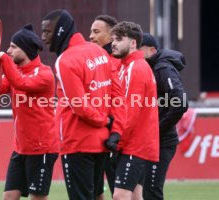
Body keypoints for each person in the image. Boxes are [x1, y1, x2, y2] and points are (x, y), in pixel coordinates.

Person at [41, 9, 126, 200]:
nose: (43, 37)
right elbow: (116, 93)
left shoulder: (66, 60)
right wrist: (113, 127)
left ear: (61, 31)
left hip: (77, 143)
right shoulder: (98, 51)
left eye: (47, 31)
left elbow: (78, 104)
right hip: (102, 142)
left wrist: (103, 120)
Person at [0, 24, 59, 200]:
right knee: (9, 196)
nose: (8, 51)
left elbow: (21, 83)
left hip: (41, 149)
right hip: (21, 148)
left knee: (37, 198)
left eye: (13, 46)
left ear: (25, 49)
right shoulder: (14, 72)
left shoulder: (45, 74)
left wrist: (4, 61)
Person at [111, 22, 159, 200]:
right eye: (112, 39)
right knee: (135, 197)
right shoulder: (127, 66)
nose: (113, 43)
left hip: (133, 144)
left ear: (133, 43)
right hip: (136, 143)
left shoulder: (136, 68)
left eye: (118, 39)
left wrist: (118, 142)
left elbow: (130, 111)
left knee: (120, 196)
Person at [140, 33, 188, 200]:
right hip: (151, 141)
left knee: (151, 192)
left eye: (138, 48)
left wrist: (157, 129)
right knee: (146, 192)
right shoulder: (150, 68)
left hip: (161, 141)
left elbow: (180, 103)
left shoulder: (162, 68)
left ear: (151, 50)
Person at [90, 14, 121, 199]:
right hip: (98, 136)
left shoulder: (117, 62)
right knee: (97, 191)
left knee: (121, 194)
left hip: (115, 137)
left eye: (96, 32)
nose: (91, 36)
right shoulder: (94, 61)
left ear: (111, 36)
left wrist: (115, 129)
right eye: (90, 32)